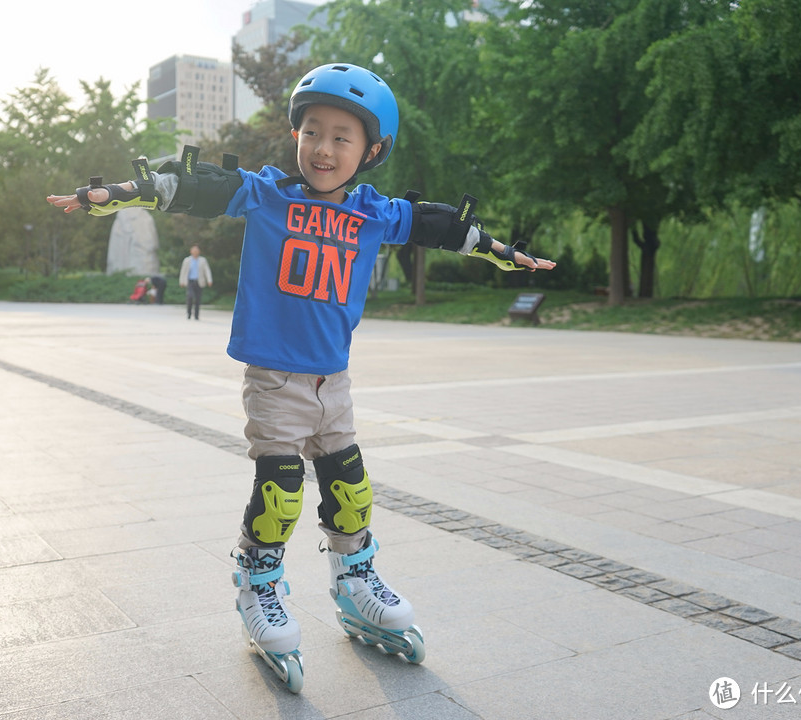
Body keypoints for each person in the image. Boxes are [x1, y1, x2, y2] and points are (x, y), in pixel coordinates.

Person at [48, 62, 555, 690]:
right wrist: (115, 194)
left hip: (332, 381)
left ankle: (355, 578)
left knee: (350, 485)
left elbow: (439, 224)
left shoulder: (374, 212)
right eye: (312, 131)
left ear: (372, 151)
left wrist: (503, 252)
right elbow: (195, 185)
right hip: (275, 379)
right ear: (296, 136)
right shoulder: (268, 193)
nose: (323, 148)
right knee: (282, 488)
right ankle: (259, 584)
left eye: (342, 137)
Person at [178, 245, 212, 319]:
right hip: (190, 281)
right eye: (194, 250)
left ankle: (196, 315)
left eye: (197, 250)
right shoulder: (187, 260)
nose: (195, 252)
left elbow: (207, 270)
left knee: (197, 299)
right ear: (191, 251)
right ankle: (189, 313)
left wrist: (209, 280)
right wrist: (181, 281)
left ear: (199, 251)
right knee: (190, 296)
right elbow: (183, 271)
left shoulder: (203, 260)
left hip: (199, 281)